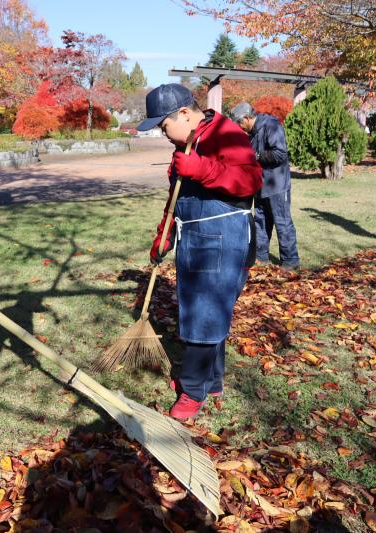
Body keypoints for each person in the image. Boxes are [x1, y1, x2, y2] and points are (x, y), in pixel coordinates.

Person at [137, 85, 262, 419]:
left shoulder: (226, 133)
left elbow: (251, 181)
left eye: (163, 126)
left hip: (224, 236)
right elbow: (176, 198)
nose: (164, 134)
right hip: (193, 236)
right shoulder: (184, 145)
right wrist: (164, 235)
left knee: (206, 312)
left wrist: (203, 169)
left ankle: (193, 389)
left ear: (184, 113)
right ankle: (212, 379)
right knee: (200, 309)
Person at [229, 102, 300, 269]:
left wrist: (256, 155)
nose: (239, 127)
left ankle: (291, 260)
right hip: (260, 184)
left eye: (239, 123)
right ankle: (261, 256)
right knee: (260, 221)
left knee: (282, 222)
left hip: (277, 184)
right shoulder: (251, 133)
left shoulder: (271, 126)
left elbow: (280, 154)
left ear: (246, 118)